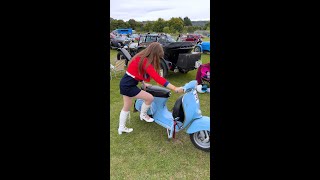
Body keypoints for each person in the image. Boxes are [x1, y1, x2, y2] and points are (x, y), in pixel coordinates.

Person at [118, 42, 184, 135]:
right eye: (158, 56)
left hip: (126, 83)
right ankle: (143, 115)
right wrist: (175, 88)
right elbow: (158, 78)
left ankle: (121, 128)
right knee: (149, 98)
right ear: (154, 54)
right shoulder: (145, 61)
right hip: (128, 86)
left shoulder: (140, 57)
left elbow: (135, 71)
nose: (158, 59)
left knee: (126, 107)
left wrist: (143, 82)